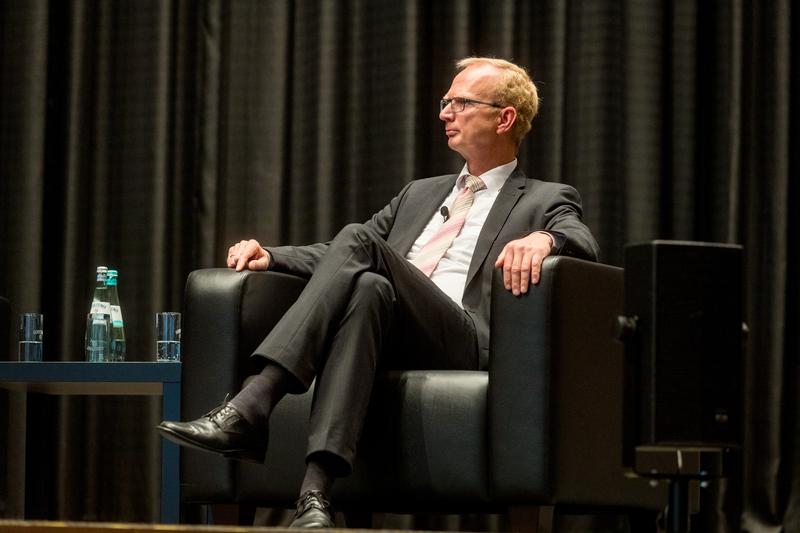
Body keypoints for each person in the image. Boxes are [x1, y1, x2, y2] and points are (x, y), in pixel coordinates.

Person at [157, 57, 599, 528]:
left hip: (465, 339)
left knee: (363, 246)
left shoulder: (543, 197)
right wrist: (274, 256)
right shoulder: (420, 194)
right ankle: (315, 498)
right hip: (391, 326)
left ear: (504, 117)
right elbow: (344, 253)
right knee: (367, 286)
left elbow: (584, 241)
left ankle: (254, 401)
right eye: (444, 102)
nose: (444, 113)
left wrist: (546, 239)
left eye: (460, 103)